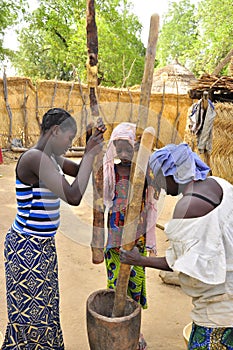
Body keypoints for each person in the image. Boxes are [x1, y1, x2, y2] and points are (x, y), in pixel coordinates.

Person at [2, 108, 106, 349]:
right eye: (69, 138)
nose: (70, 145)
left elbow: (80, 171)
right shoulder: (34, 158)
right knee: (32, 317)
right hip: (27, 250)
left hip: (41, 247)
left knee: (45, 310)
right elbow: (73, 195)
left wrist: (92, 143)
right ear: (55, 131)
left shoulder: (50, 158)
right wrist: (89, 153)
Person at [120, 142, 233, 350]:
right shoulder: (221, 184)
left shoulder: (187, 207)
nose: (160, 186)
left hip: (218, 312)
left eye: (160, 178)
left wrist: (139, 260)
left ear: (174, 174)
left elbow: (178, 263)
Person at [103, 122, 157, 350]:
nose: (124, 154)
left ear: (135, 148)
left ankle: (135, 332)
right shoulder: (111, 172)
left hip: (137, 240)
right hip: (115, 240)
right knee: (116, 285)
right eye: (119, 149)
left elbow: (153, 200)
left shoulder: (143, 174)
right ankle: (117, 329)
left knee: (134, 286)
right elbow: (104, 198)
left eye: (128, 149)